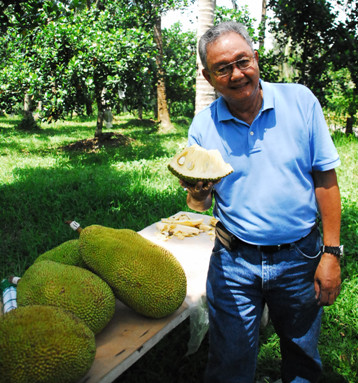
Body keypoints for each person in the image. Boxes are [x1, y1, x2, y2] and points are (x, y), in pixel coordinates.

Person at [180, 21, 342, 383]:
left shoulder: (300, 101)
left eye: (242, 61)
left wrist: (331, 253)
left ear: (255, 59)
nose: (237, 74)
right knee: (230, 360)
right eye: (223, 68)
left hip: (300, 256)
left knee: (302, 355)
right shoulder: (203, 126)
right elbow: (199, 205)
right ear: (208, 77)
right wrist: (199, 190)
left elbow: (326, 181)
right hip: (233, 260)